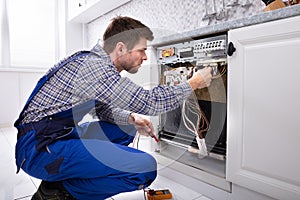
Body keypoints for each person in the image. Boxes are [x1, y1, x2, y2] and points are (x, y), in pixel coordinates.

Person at [14, 16, 212, 200]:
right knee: (145, 169)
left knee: (126, 127)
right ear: (121, 48)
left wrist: (132, 119)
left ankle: (74, 174)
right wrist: (193, 83)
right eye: (141, 50)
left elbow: (100, 109)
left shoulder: (94, 62)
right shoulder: (95, 68)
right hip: (38, 150)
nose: (144, 57)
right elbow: (150, 102)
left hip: (57, 135)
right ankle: (58, 192)